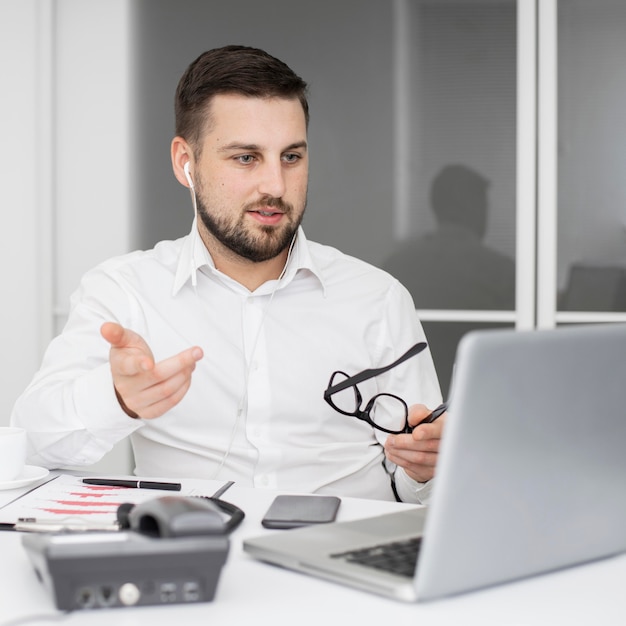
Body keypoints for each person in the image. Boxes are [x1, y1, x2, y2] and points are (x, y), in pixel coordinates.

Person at [11, 45, 444, 503]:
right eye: (246, 158)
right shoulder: (125, 292)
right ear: (186, 163)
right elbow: (33, 442)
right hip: (196, 561)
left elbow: (418, 490)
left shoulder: (379, 298)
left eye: (291, 157)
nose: (275, 186)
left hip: (345, 563)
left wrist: (424, 471)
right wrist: (116, 398)